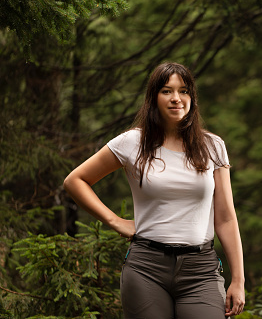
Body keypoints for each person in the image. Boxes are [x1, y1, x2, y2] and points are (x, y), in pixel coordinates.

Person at [63, 62, 245, 318]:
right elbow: (75, 180)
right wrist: (114, 221)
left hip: (200, 271)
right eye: (166, 91)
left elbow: (225, 217)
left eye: (183, 91)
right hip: (146, 268)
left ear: (192, 97)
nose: (176, 99)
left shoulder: (212, 146)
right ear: (153, 97)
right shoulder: (131, 142)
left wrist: (238, 280)